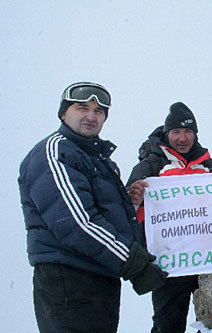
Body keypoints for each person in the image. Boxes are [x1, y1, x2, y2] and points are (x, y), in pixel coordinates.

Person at [18, 82, 167, 333]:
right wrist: (134, 263)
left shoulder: (94, 157)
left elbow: (94, 210)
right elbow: (77, 223)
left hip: (99, 280)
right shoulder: (56, 151)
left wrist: (128, 204)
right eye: (82, 108)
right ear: (64, 113)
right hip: (69, 281)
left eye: (99, 112)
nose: (91, 116)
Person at [126, 102, 212, 333]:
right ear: (167, 133)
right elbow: (125, 204)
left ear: (195, 134)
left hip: (208, 261)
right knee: (168, 326)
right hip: (170, 264)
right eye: (176, 132)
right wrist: (134, 197)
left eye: (188, 131)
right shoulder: (151, 164)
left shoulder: (207, 167)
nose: (183, 138)